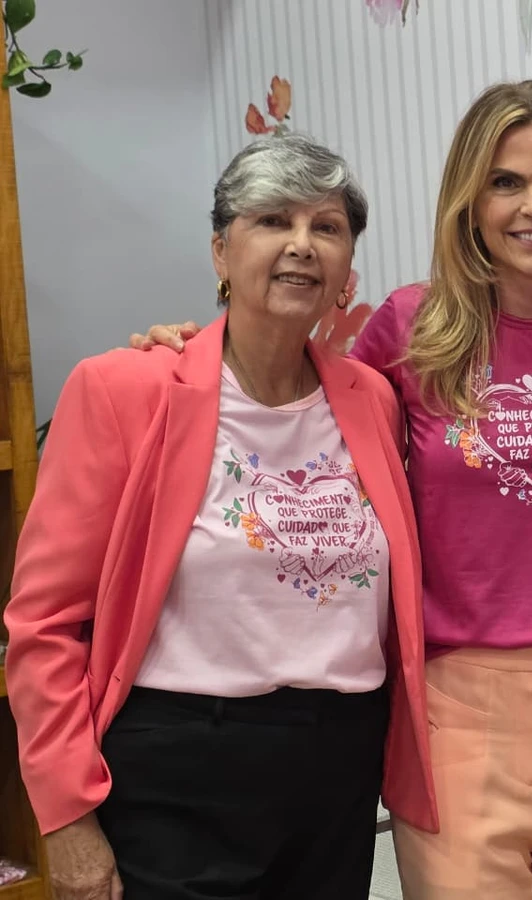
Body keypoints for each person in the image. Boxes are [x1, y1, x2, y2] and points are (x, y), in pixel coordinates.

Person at [134, 79, 532, 900]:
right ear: (470, 200)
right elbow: (285, 402)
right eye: (506, 181)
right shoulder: (409, 329)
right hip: (451, 702)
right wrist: (184, 348)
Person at [4, 134, 435, 900]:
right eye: (272, 220)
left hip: (338, 769)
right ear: (220, 252)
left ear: (346, 270)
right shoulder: (123, 390)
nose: (302, 245)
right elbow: (43, 624)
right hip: (178, 772)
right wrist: (65, 817)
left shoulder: (373, 399)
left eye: (327, 227)